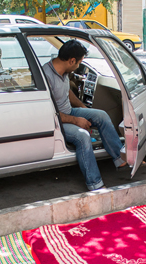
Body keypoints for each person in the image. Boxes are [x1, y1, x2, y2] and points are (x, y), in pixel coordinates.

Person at [42, 40, 128, 191]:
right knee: (82, 136)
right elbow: (49, 113)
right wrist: (76, 120)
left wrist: (83, 108)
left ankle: (120, 159)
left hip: (69, 112)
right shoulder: (47, 76)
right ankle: (95, 183)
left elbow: (67, 92)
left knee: (101, 115)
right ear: (72, 60)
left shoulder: (64, 72)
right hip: (57, 122)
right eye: (79, 62)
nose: (79, 66)